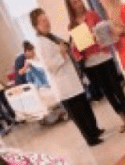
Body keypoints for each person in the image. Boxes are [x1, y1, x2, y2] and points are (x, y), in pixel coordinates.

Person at [31, 8, 105, 146]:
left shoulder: (51, 36)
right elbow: (49, 66)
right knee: (79, 115)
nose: (47, 22)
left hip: (73, 80)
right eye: (42, 21)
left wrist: (69, 47)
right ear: (36, 25)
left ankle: (95, 130)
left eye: (46, 19)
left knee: (86, 108)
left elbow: (64, 50)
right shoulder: (40, 43)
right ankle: (90, 138)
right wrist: (61, 54)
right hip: (64, 86)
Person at [66, 0, 125, 135]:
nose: (77, 3)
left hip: (104, 57)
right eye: (74, 2)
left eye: (78, 1)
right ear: (70, 5)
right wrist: (75, 46)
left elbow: (106, 33)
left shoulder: (93, 15)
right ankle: (122, 117)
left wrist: (98, 35)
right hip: (90, 64)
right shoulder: (71, 25)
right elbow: (76, 51)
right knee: (107, 93)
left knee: (117, 88)